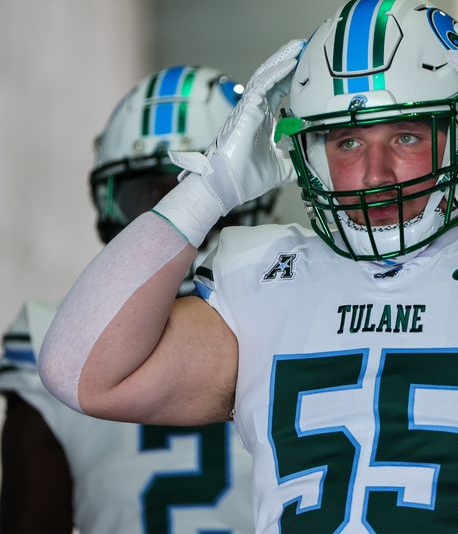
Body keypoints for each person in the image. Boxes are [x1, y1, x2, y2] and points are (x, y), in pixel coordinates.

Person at [38, 0, 458, 533]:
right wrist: (207, 188)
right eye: (347, 140)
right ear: (310, 152)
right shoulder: (263, 274)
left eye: (408, 135)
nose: (375, 171)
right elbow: (81, 371)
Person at [0, 65, 283, 533]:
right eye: (150, 195)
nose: (175, 211)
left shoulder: (53, 337)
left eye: (189, 190)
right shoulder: (297, 307)